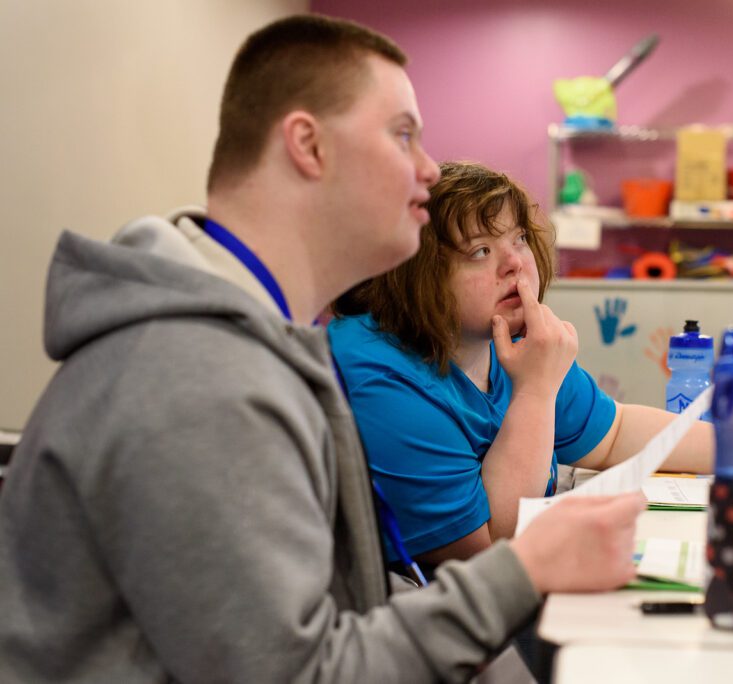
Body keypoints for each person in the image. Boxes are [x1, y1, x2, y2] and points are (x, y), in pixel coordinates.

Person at [0, 15, 646, 683]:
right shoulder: (197, 380)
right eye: (402, 136)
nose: (427, 170)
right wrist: (526, 567)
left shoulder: (264, 339)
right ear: (308, 146)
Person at [329, 161, 733, 567]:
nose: (516, 264)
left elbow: (614, 433)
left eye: (518, 239)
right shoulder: (380, 375)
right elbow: (493, 551)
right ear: (412, 273)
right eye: (480, 251)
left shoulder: (500, 336)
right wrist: (536, 389)